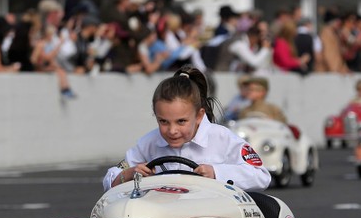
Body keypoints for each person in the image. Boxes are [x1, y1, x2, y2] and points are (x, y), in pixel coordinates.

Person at [102, 66, 271, 193]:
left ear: (199, 115)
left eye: (181, 121)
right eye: (163, 121)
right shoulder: (149, 143)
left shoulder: (222, 138)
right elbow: (111, 177)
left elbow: (261, 176)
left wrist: (217, 173)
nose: (172, 130)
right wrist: (129, 174)